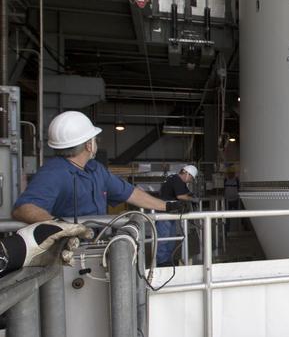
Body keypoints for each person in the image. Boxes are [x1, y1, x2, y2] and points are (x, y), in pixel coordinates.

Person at [13, 111, 176, 225]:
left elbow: (130, 193)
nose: (96, 142)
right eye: (94, 139)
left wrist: (166, 206)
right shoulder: (54, 172)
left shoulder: (95, 169)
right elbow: (24, 209)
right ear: (89, 145)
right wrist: (61, 227)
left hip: (95, 245)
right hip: (67, 254)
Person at [156, 164, 198, 265]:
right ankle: (162, 262)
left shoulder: (177, 180)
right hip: (164, 212)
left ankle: (168, 260)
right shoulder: (176, 179)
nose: (190, 180)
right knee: (164, 238)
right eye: (191, 178)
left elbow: (187, 193)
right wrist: (193, 199)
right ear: (186, 173)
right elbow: (181, 196)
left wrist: (191, 195)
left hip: (170, 212)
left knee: (171, 238)